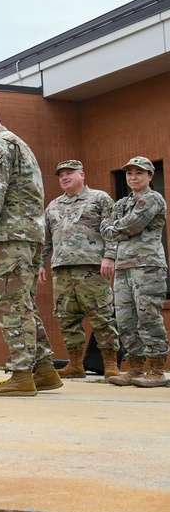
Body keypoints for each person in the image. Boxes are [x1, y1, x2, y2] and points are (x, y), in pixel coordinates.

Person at [0, 99, 62, 396]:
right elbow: (5, 193)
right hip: (28, 236)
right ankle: (44, 370)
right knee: (25, 304)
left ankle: (21, 375)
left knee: (11, 307)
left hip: (10, 239)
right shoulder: (16, 143)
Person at [40, 159, 120, 379]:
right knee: (67, 318)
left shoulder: (100, 198)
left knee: (101, 316)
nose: (64, 177)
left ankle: (110, 364)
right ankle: (76, 364)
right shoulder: (53, 206)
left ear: (82, 175)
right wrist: (40, 264)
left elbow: (111, 231)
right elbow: (46, 240)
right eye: (61, 175)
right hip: (62, 270)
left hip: (92, 268)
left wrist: (110, 257)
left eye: (69, 173)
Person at [101, 156, 169, 388]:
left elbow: (133, 225)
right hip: (123, 267)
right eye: (129, 173)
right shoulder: (121, 204)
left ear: (150, 176)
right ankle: (136, 368)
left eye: (139, 173)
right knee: (125, 319)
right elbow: (105, 226)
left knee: (147, 316)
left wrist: (116, 229)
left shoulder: (153, 198)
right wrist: (119, 230)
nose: (133, 177)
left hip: (147, 266)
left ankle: (157, 369)